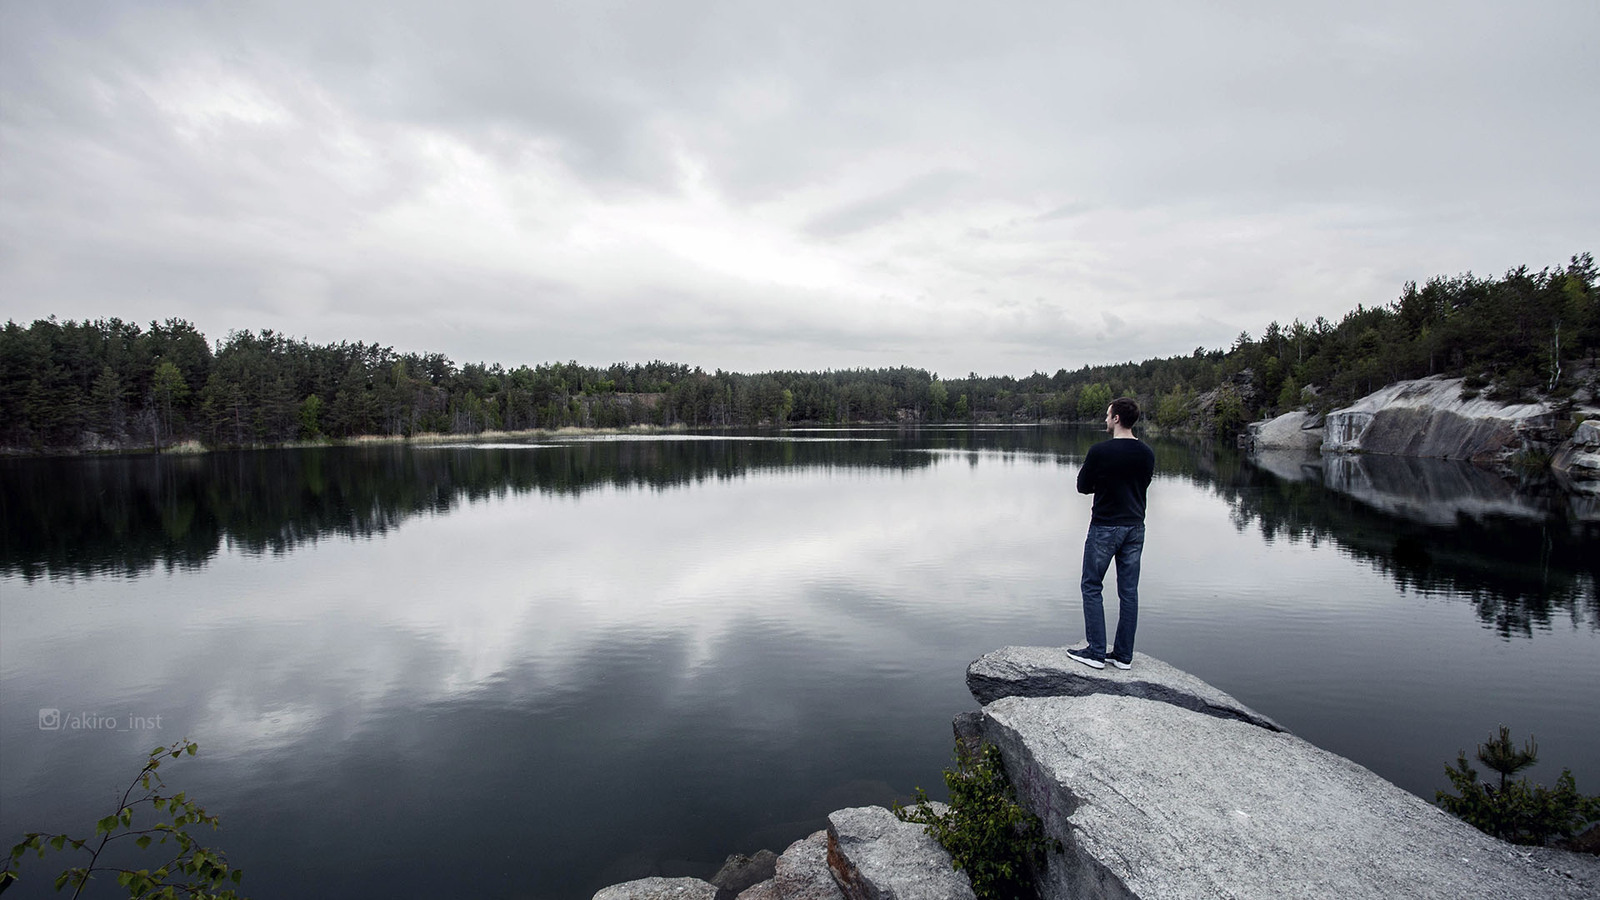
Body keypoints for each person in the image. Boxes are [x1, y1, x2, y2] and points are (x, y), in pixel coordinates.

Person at [1066, 397, 1155, 670]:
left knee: (1091, 586)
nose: (1105, 420)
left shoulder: (1100, 452)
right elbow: (1142, 484)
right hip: (1135, 528)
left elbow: (1082, 486)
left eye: (1107, 415)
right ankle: (1123, 656)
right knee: (1129, 592)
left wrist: (1103, 484)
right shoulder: (1147, 453)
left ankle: (1095, 652)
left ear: (1116, 418)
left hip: (1105, 527)